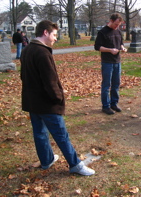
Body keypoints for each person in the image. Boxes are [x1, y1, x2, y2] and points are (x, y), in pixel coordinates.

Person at [20, 20, 95, 176]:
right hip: (46, 103)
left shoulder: (27, 50)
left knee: (40, 133)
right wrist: (58, 98)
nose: (55, 38)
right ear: (45, 33)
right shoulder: (42, 52)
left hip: (33, 102)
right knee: (61, 135)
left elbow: (24, 76)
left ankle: (47, 160)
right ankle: (76, 165)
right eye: (54, 35)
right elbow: (50, 81)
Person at [94, 13, 127, 115]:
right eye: (116, 24)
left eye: (119, 25)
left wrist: (122, 48)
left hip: (117, 61)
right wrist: (109, 50)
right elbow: (97, 47)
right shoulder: (102, 32)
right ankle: (106, 106)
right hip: (107, 62)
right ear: (111, 21)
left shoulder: (118, 31)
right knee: (106, 85)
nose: (117, 26)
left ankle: (114, 103)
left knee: (116, 84)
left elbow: (120, 43)